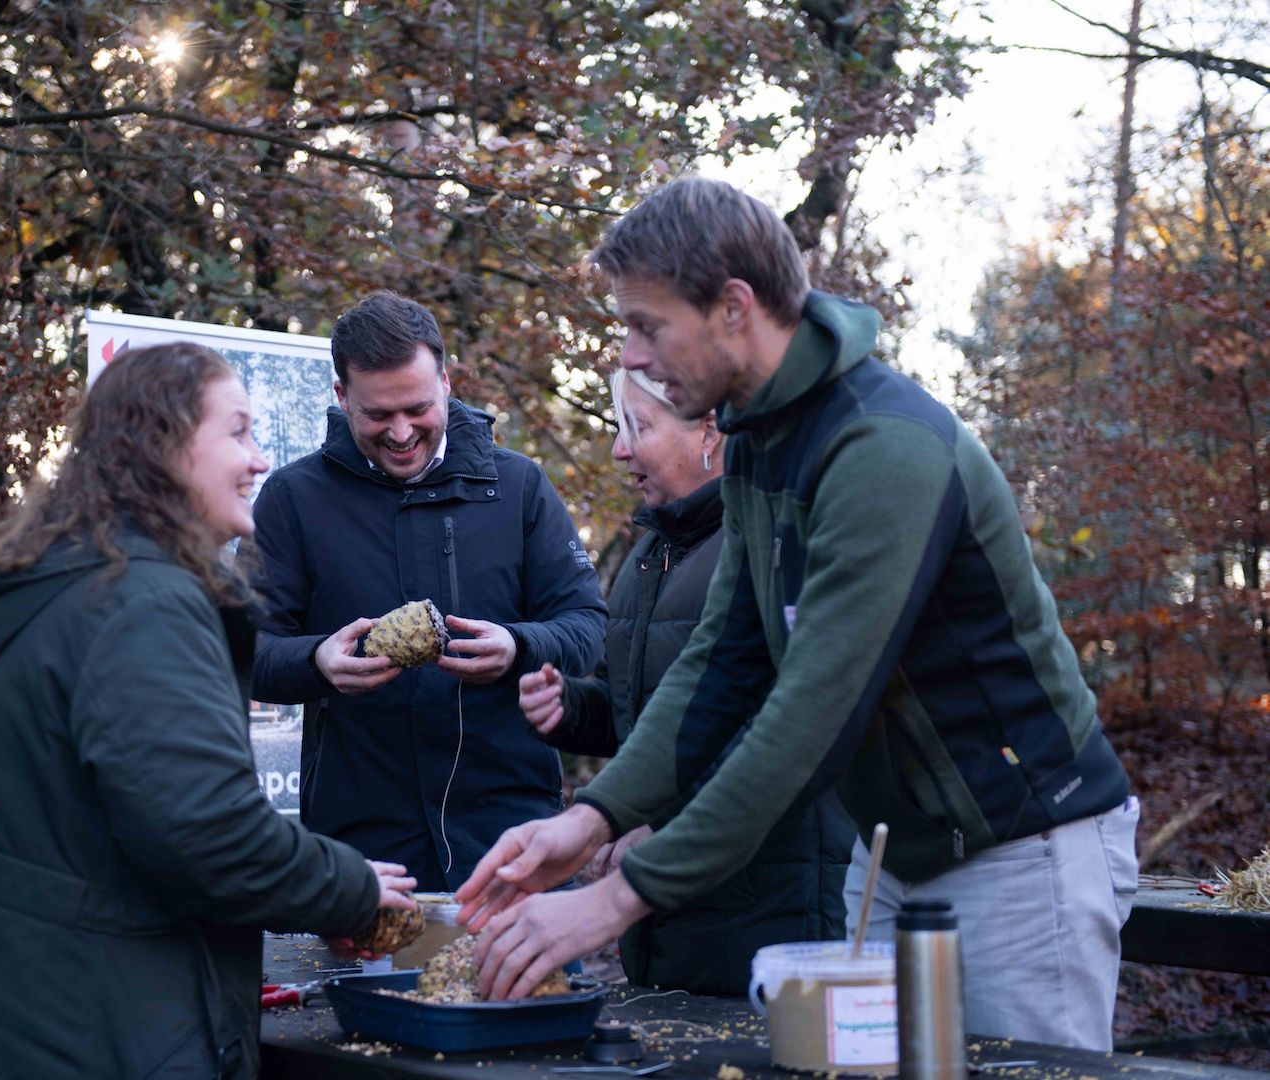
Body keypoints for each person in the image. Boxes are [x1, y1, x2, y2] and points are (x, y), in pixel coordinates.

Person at [458, 176, 1139, 1052]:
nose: (631, 354)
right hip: (896, 851)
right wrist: (593, 819)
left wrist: (620, 896)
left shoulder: (881, 447)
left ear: (733, 307)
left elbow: (811, 714)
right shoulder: (758, 438)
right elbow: (725, 659)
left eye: (647, 325)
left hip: (1018, 846)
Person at [0, 344, 416, 1079]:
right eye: (237, 432)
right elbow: (207, 836)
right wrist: (349, 889)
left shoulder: (81, 585)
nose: (260, 460)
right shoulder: (142, 604)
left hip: (24, 1013)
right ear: (164, 444)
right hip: (78, 1033)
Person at [249, 291, 607, 891]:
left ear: (446, 381)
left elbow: (588, 626)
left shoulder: (517, 486)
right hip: (363, 850)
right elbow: (242, 649)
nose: (399, 432)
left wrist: (519, 648)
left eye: (416, 408)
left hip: (510, 835)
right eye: (376, 415)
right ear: (341, 397)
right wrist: (316, 662)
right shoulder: (291, 499)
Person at [519, 367, 853, 995]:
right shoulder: (648, 555)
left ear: (710, 428)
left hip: (769, 904)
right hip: (663, 917)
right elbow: (651, 717)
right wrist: (569, 707)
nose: (619, 448)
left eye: (637, 427)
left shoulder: (768, 544)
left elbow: (780, 727)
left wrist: (654, 827)